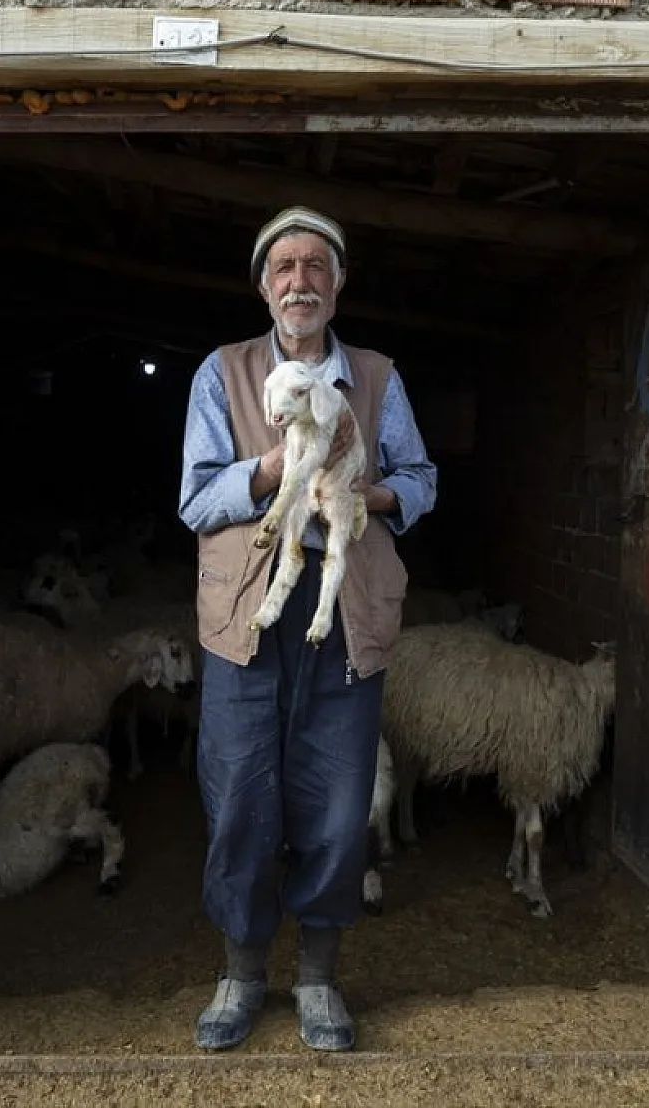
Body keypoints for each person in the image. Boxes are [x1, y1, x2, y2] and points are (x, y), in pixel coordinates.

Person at [176, 206, 438, 1052]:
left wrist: (370, 496)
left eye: (316, 267)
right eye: (284, 267)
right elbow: (195, 498)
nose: (300, 281)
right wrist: (269, 470)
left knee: (336, 798)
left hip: (344, 610)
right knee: (242, 797)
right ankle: (242, 973)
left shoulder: (376, 376)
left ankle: (319, 979)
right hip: (247, 616)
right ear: (263, 286)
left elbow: (423, 478)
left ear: (338, 284)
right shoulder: (223, 374)